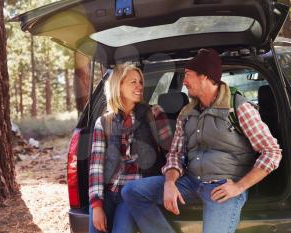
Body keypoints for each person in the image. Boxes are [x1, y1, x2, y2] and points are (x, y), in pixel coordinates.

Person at [121, 49, 282, 233]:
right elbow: (175, 154)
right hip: (190, 182)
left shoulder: (238, 107)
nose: (184, 81)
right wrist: (169, 183)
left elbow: (272, 152)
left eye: (188, 75)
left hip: (222, 189)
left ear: (204, 77)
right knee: (131, 192)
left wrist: (239, 187)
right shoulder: (186, 113)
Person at [88, 64, 172, 233]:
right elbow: (96, 167)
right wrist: (96, 205)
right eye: (133, 82)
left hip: (133, 193)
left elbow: (172, 152)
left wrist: (170, 183)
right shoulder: (104, 122)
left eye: (140, 82)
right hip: (108, 192)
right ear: (118, 86)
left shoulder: (154, 114)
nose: (140, 86)